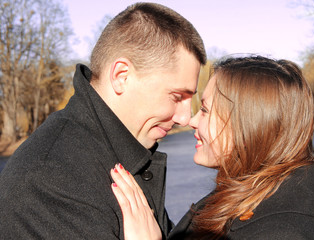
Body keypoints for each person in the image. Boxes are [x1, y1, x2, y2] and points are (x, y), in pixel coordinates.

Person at [0, 2, 206, 239]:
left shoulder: (115, 155)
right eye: (177, 96)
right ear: (121, 76)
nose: (184, 117)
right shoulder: (53, 182)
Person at [110, 56, 314, 240]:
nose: (191, 120)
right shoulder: (240, 200)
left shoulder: (283, 233)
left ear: (248, 126)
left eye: (205, 110)